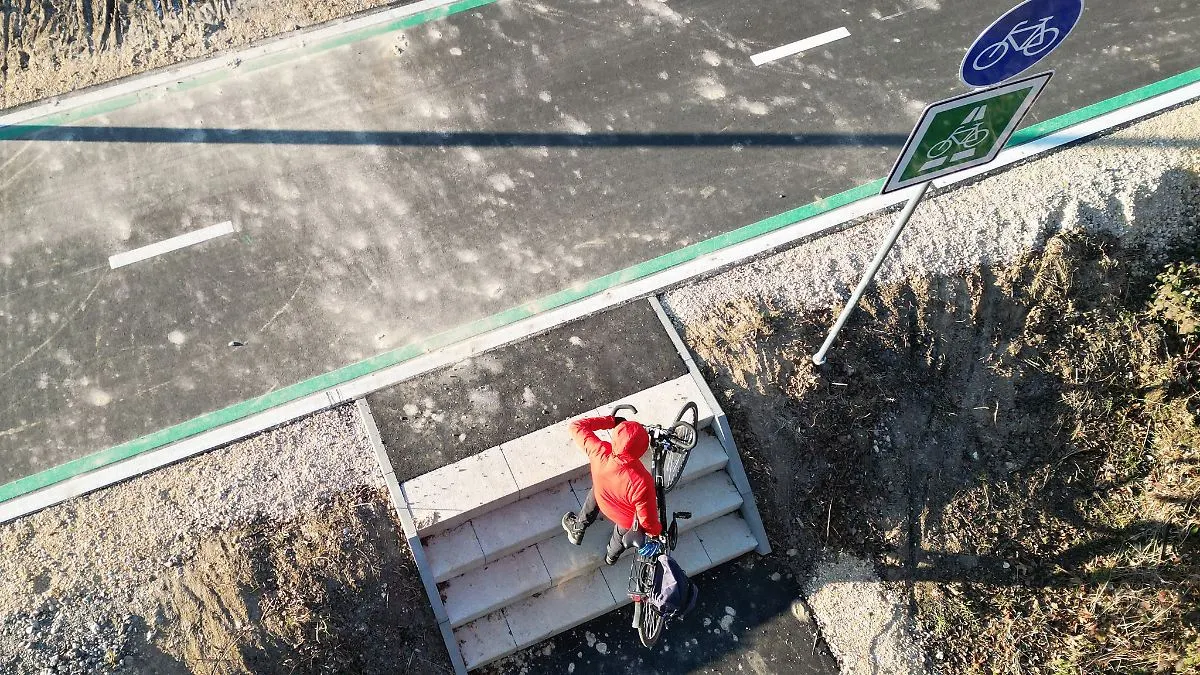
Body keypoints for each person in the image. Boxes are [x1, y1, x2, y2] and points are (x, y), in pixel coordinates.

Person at [560, 414, 662, 565]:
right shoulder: (641, 481)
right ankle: (611, 557)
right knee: (620, 536)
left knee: (599, 485)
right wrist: (656, 533)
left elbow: (576, 427)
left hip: (602, 497)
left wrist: (612, 421)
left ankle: (578, 527)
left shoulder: (599, 451)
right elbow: (647, 521)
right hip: (625, 519)